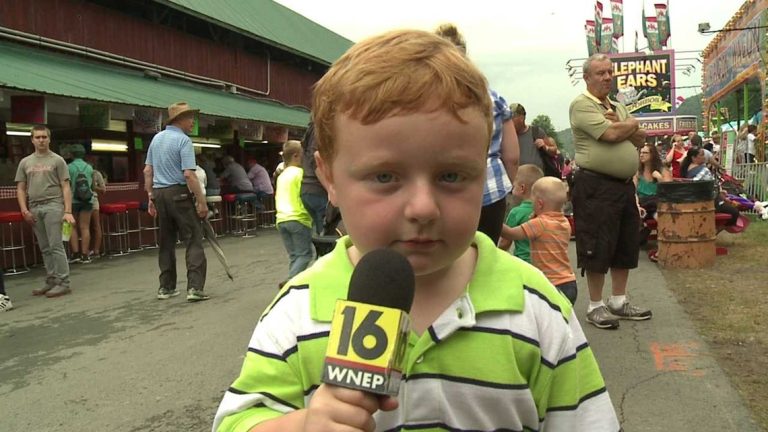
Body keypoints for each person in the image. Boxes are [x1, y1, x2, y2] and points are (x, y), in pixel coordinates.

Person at [213, 29, 618, 432]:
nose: (423, 207)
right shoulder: (298, 312)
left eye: (452, 175)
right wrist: (302, 426)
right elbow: (239, 420)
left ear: (486, 171)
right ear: (329, 178)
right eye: (385, 175)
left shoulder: (535, 308)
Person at [569, 53, 652, 330]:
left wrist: (622, 122)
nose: (607, 77)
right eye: (600, 73)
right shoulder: (582, 105)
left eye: (609, 72)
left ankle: (618, 300)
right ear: (587, 77)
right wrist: (631, 123)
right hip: (595, 184)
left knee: (625, 242)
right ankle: (595, 305)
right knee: (597, 243)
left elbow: (640, 139)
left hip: (622, 185)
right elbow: (612, 135)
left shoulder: (616, 106)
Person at [435, 23, 519, 244]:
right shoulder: (493, 98)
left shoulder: (425, 99)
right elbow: (512, 157)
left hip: (442, 189)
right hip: (492, 186)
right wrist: (504, 187)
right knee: (485, 255)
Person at [143, 102, 209, 302]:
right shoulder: (183, 141)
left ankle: (166, 287)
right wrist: (201, 201)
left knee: (166, 241)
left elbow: (147, 171)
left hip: (159, 193)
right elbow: (189, 174)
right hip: (178, 192)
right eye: (190, 118)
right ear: (180, 120)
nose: (193, 122)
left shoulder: (156, 139)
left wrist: (150, 197)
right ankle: (195, 288)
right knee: (193, 239)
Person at [15, 125, 75, 298]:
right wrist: (24, 210)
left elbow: (65, 186)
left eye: (44, 137)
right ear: (32, 140)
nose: (41, 140)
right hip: (34, 206)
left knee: (56, 245)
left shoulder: (57, 160)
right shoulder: (25, 162)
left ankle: (64, 282)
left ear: (49, 139)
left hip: (53, 205)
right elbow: (20, 188)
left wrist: (68, 210)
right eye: (37, 137)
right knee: (45, 247)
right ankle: (51, 279)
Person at [498, 177, 578, 304]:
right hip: (569, 282)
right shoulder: (564, 223)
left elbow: (511, 233)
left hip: (551, 284)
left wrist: (492, 219)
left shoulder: (540, 224)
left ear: (540, 204)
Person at [275, 140, 313, 282]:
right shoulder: (300, 174)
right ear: (296, 156)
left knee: (294, 256)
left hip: (281, 219)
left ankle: (292, 286)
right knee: (305, 255)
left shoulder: (282, 176)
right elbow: (305, 195)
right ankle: (290, 282)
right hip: (298, 217)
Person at [680, 148, 740, 226]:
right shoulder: (703, 170)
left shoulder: (687, 170)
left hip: (694, 202)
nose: (704, 157)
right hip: (709, 203)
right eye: (701, 155)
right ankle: (717, 229)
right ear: (693, 158)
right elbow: (698, 183)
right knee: (735, 212)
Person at [498, 164, 544, 263]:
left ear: (522, 188)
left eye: (513, 186)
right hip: (542, 263)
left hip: (523, 262)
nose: (512, 189)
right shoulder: (544, 211)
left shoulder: (516, 213)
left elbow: (505, 242)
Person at [510, 102, 558, 172]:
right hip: (518, 179)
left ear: (521, 118)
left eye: (512, 118)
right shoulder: (508, 136)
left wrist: (545, 147)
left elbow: (554, 151)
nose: (509, 121)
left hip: (538, 179)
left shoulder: (536, 132)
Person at [67, 144, 94, 264]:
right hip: (87, 200)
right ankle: (85, 254)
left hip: (72, 200)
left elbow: (65, 185)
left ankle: (75, 254)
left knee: (71, 226)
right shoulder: (89, 167)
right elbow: (92, 186)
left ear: (71, 154)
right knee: (85, 227)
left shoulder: (68, 167)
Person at [299, 123, 329, 235]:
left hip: (307, 188)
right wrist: (329, 188)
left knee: (322, 232)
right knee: (326, 233)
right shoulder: (318, 130)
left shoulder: (310, 132)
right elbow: (314, 160)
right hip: (318, 188)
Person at [636, 144, 671, 220]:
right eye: (641, 153)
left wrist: (660, 178)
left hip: (657, 204)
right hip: (641, 204)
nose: (641, 155)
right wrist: (637, 205)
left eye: (645, 153)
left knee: (659, 216)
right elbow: (633, 192)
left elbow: (668, 191)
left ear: (652, 155)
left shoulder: (662, 170)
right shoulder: (637, 172)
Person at [89, 162, 107, 259]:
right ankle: (87, 252)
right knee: (88, 227)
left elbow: (104, 190)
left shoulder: (96, 173)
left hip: (91, 201)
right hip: (87, 201)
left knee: (93, 226)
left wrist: (93, 186)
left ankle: (94, 251)